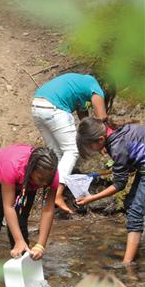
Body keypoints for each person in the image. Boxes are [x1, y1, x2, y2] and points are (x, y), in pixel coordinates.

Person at [31, 72, 114, 214]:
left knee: (56, 154)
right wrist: (105, 143)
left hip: (37, 105)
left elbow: (84, 120)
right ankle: (57, 194)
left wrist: (94, 141)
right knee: (72, 150)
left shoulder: (81, 84)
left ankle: (49, 193)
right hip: (54, 108)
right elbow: (101, 120)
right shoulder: (96, 87)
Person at [76, 117, 145, 264]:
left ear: (100, 139)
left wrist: (91, 198)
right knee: (130, 203)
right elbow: (133, 158)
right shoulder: (120, 132)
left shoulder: (117, 146)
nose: (92, 151)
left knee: (134, 212)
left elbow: (120, 184)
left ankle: (127, 265)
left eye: (90, 147)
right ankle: (135, 243)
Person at [0, 145, 59, 260]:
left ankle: (21, 260)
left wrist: (40, 245)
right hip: (0, 178)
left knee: (20, 224)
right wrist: (19, 240)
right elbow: (9, 206)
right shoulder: (12, 165)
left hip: (28, 185)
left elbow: (48, 210)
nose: (45, 184)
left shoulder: (51, 175)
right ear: (31, 169)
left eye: (48, 180)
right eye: (41, 179)